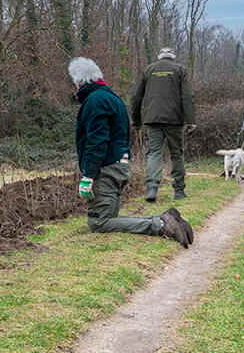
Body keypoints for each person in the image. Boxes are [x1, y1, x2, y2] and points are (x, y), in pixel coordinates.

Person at [69, 56, 193, 248]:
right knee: (109, 218)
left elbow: (96, 141)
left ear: (80, 81)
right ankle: (168, 220)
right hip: (120, 166)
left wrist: (88, 176)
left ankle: (161, 224)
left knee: (98, 223)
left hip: (106, 169)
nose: (75, 88)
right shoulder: (112, 98)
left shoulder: (95, 101)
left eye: (75, 83)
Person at [129, 47, 195, 202]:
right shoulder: (180, 70)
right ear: (173, 57)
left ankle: (152, 187)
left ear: (159, 58)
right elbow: (188, 96)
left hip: (152, 119)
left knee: (154, 153)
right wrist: (190, 120)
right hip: (174, 119)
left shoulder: (148, 70)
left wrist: (136, 120)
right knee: (177, 154)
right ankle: (179, 190)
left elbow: (136, 97)